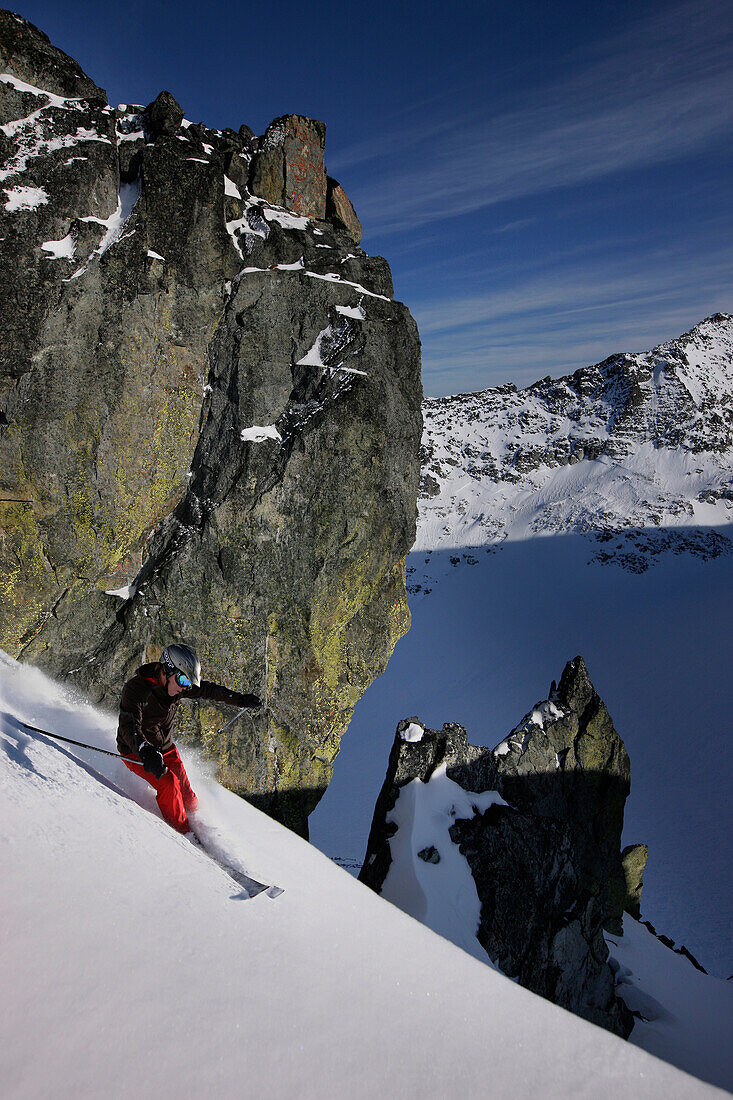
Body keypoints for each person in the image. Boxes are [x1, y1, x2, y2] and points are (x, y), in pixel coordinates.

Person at [117, 643, 261, 834]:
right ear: (168, 670)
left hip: (164, 747)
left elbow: (208, 690)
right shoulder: (136, 689)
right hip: (136, 751)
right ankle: (184, 837)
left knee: (189, 797)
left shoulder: (178, 686)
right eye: (184, 680)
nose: (186, 688)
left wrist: (239, 699)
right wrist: (144, 750)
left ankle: (200, 826)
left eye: (190, 684)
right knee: (169, 784)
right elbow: (129, 726)